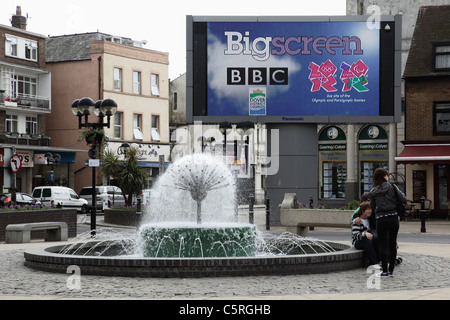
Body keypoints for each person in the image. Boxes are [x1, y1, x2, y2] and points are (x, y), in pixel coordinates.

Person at [369, 168, 406, 277]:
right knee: (392, 243)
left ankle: (384, 271)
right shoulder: (392, 187)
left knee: (383, 245)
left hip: (381, 219)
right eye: (387, 175)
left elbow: (372, 207)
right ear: (384, 176)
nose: (388, 176)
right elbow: (403, 199)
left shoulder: (374, 192)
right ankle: (391, 270)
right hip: (393, 218)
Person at [352, 201, 379, 266]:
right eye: (368, 209)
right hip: (359, 241)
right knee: (368, 241)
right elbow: (355, 235)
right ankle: (374, 263)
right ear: (363, 211)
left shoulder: (370, 220)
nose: (370, 211)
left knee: (377, 238)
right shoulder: (357, 221)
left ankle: (381, 259)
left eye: (371, 209)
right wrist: (365, 234)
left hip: (369, 239)